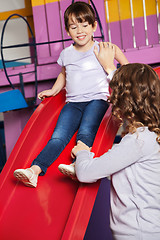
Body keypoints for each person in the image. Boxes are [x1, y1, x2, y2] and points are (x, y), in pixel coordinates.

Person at [13, 1, 128, 187]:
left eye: (84, 25)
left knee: (85, 131)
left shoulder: (104, 48)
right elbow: (64, 74)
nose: (80, 30)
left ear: (94, 26)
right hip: (73, 103)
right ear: (68, 31)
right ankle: (34, 170)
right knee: (58, 137)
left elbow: (128, 69)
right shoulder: (67, 54)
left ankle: (78, 165)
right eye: (74, 27)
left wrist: (117, 92)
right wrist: (53, 90)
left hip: (97, 100)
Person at [72, 44, 160, 239]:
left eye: (114, 97)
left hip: (139, 234)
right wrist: (112, 66)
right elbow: (138, 91)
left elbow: (86, 173)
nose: (111, 100)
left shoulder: (138, 141)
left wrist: (83, 152)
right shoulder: (150, 135)